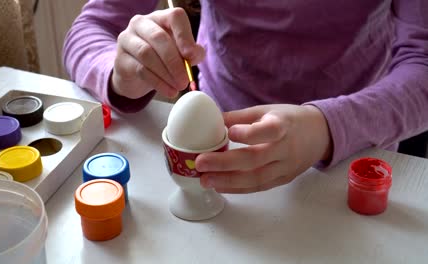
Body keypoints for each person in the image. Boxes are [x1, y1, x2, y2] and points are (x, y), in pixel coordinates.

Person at [63, 0, 428, 194]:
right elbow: (91, 28)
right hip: (218, 157)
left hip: (355, 158)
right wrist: (121, 72)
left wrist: (328, 128)